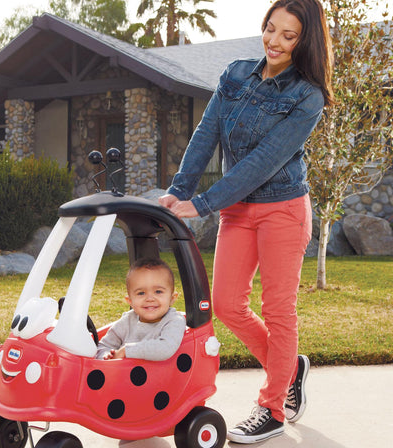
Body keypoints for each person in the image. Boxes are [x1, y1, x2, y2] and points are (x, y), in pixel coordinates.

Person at [158, 0, 334, 443]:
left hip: (283, 210)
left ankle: (272, 407)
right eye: (270, 29)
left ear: (304, 41)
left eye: (288, 36)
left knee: (278, 311)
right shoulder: (235, 74)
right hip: (240, 211)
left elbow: (262, 163)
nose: (274, 41)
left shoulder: (307, 96)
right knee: (228, 304)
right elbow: (206, 134)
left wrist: (203, 202)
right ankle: (290, 368)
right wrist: (179, 190)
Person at [95, 258, 186, 361]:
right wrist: (106, 355)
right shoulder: (127, 321)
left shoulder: (174, 321)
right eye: (141, 293)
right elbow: (103, 346)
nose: (150, 299)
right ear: (130, 301)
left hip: (165, 375)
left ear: (172, 298)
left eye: (158, 291)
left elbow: (165, 348)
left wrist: (125, 351)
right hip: (122, 374)